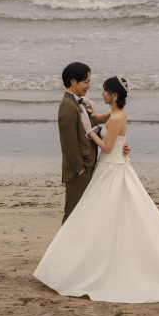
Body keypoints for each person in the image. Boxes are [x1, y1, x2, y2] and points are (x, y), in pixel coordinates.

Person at [35, 75, 159, 303]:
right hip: (111, 166)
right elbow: (101, 122)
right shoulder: (114, 114)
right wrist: (91, 112)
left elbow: (107, 145)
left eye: (104, 91)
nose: (100, 93)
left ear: (113, 95)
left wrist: (89, 132)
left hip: (110, 167)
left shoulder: (116, 117)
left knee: (98, 217)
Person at [57, 62, 130, 223]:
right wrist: (79, 169)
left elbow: (100, 122)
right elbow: (68, 142)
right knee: (72, 215)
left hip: (92, 166)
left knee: (85, 215)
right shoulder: (68, 106)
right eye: (86, 82)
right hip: (80, 171)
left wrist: (120, 145)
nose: (89, 86)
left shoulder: (82, 102)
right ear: (73, 81)